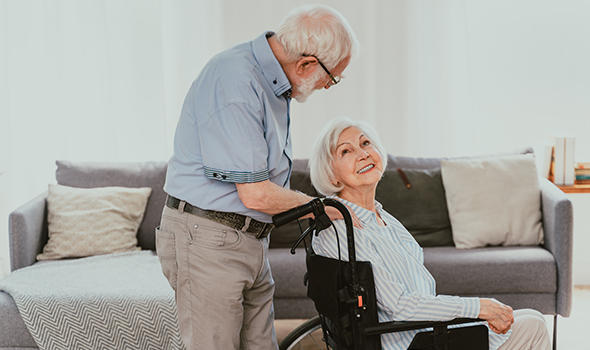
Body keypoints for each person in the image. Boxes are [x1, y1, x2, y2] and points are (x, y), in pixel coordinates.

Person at [156, 5, 358, 350]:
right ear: (307, 64)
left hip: (248, 239)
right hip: (208, 240)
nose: (327, 86)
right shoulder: (235, 79)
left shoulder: (274, 84)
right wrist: (326, 207)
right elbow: (255, 194)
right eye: (332, 78)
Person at [309, 118, 551, 350]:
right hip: (407, 341)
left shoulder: (381, 217)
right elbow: (399, 305)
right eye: (345, 151)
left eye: (365, 143)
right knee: (533, 326)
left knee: (528, 317)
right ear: (331, 175)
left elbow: (418, 291)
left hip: (424, 330)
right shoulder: (342, 228)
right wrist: (478, 307)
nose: (362, 153)